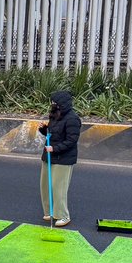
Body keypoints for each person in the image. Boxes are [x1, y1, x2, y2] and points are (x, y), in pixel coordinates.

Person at [38, 90, 82, 227]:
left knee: (58, 188)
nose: (52, 104)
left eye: (54, 102)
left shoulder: (73, 119)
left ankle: (63, 215)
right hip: (49, 156)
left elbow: (71, 140)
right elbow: (52, 135)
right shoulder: (54, 116)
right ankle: (50, 212)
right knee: (45, 185)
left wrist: (55, 149)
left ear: (61, 104)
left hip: (63, 159)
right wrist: (43, 130)